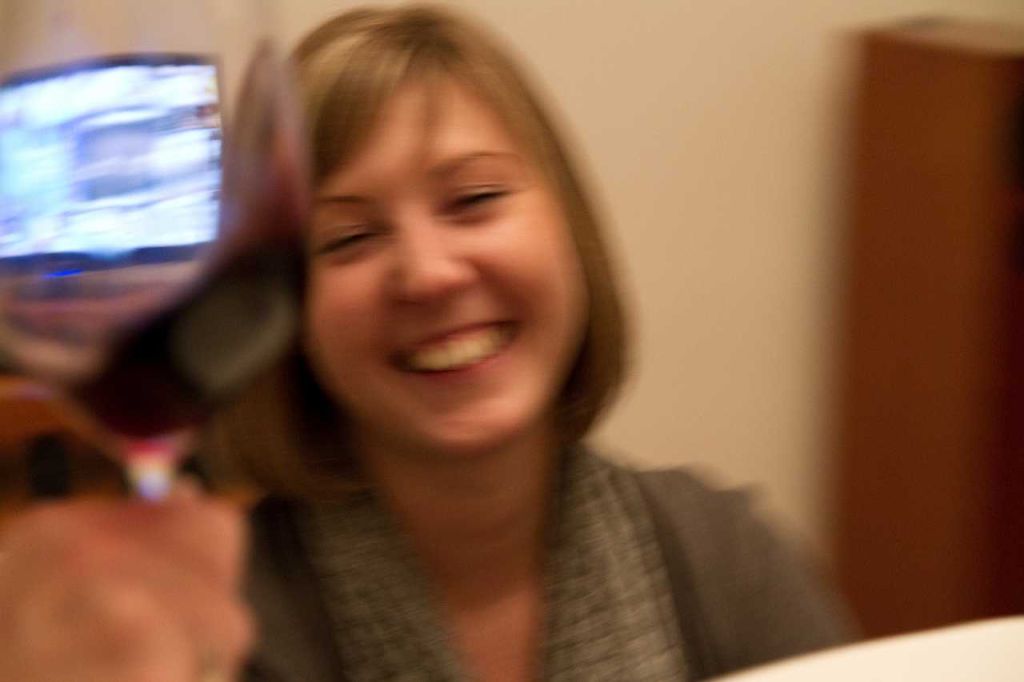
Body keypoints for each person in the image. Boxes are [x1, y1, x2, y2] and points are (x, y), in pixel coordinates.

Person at [0, 5, 855, 681]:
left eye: (474, 200)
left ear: (568, 228)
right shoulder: (208, 620)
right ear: (288, 310)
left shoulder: (721, 559)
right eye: (349, 238)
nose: (429, 274)